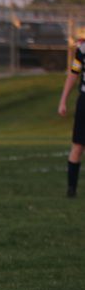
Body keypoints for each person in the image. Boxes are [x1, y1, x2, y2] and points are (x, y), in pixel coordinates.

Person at [57, 36, 85, 197]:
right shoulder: (82, 49)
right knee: (78, 146)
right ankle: (71, 189)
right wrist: (63, 101)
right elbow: (73, 74)